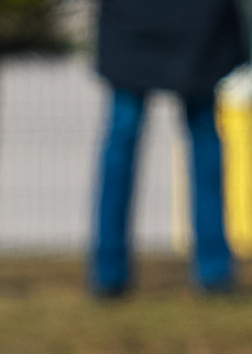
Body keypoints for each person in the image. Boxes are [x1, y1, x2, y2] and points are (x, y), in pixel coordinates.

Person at [91, 0, 248, 296]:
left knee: (124, 136)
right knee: (198, 135)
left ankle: (109, 272)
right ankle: (213, 271)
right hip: (187, 22)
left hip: (161, 22)